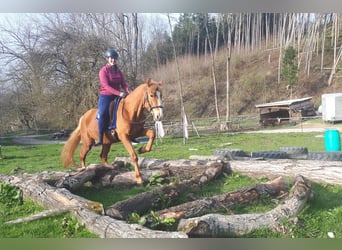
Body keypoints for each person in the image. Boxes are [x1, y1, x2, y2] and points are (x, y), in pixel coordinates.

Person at [94, 48, 132, 146]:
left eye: (114, 58)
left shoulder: (118, 71)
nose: (113, 60)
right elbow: (106, 86)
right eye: (111, 58)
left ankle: (131, 134)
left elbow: (124, 84)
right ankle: (100, 137)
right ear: (107, 59)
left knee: (128, 110)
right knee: (102, 113)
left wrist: (129, 91)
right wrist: (119, 93)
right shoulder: (103, 71)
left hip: (118, 95)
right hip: (106, 96)